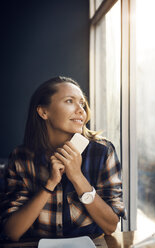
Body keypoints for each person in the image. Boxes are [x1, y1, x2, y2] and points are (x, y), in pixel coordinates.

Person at [1, 76, 126, 241]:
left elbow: (110, 226)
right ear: (43, 112)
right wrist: (50, 184)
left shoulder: (102, 152)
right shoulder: (21, 157)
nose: (81, 110)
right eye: (69, 101)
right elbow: (11, 232)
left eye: (82, 103)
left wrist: (77, 177)